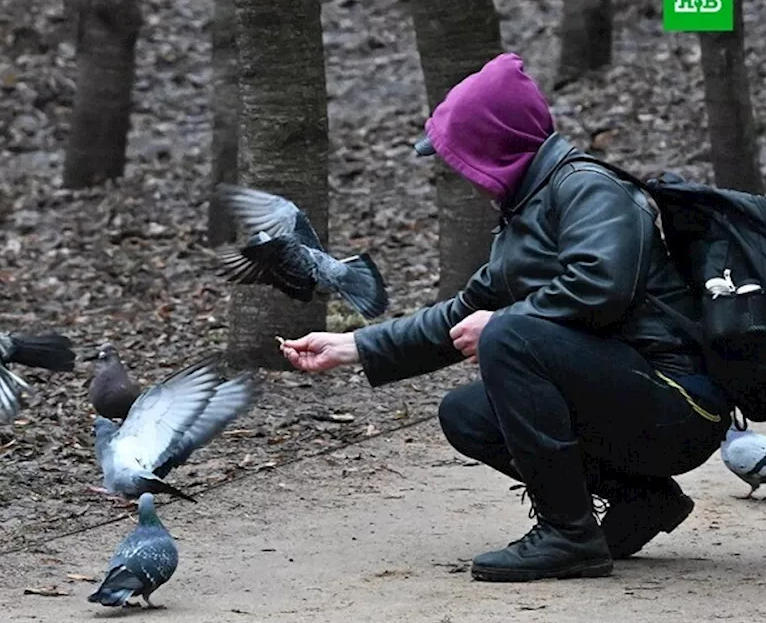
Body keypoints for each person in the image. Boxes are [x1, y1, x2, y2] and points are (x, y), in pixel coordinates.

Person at [278, 53, 732, 583]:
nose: (458, 172)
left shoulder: (586, 187)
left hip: (679, 402)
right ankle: (642, 500)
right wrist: (354, 346)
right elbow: (461, 313)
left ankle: (568, 535)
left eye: (462, 154)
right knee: (467, 413)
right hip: (629, 396)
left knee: (510, 335)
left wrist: (502, 323)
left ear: (494, 144)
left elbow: (601, 286)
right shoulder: (527, 210)